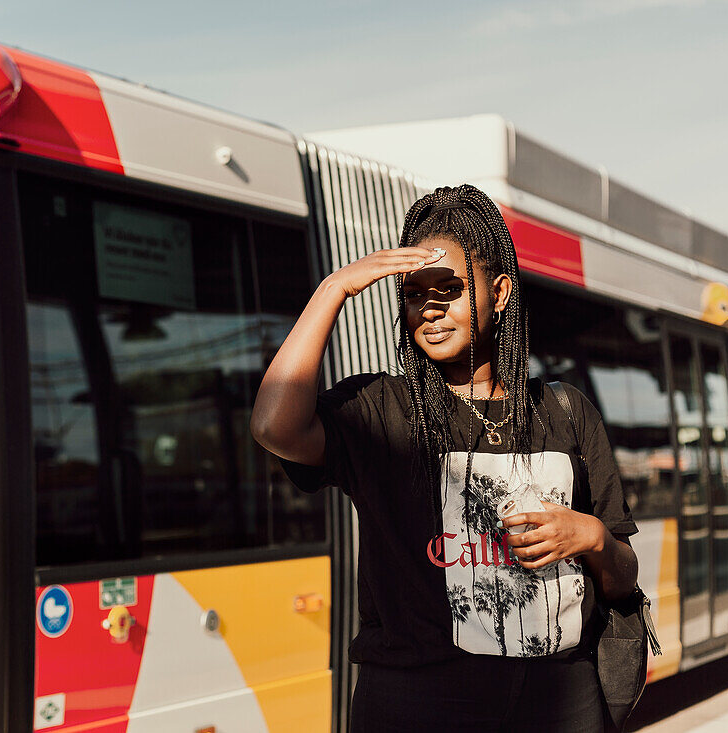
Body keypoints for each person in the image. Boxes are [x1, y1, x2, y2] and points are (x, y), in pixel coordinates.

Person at [250, 183, 639, 732]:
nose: (430, 308)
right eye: (413, 293)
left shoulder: (567, 412)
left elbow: (622, 578)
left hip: (559, 701)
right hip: (417, 705)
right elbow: (273, 427)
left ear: (499, 292)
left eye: (449, 288)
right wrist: (334, 289)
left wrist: (592, 536)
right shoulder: (382, 410)